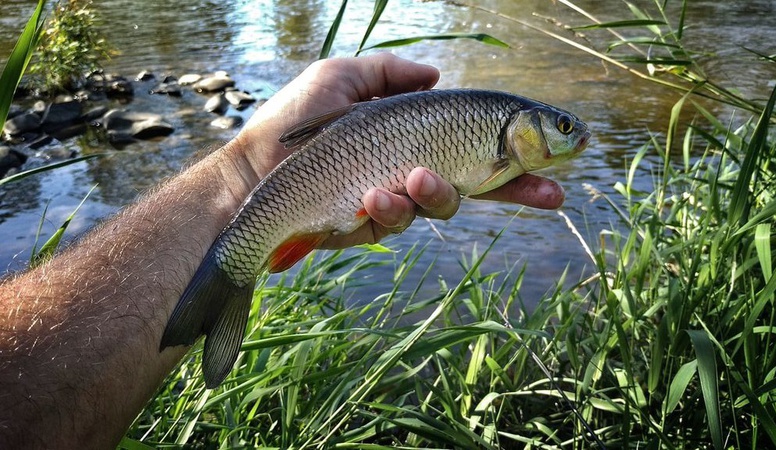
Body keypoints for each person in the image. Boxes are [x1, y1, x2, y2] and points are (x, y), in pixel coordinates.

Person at [0, 53, 565, 448]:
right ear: (524, 128)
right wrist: (247, 166)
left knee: (397, 196)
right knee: (272, 241)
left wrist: (244, 168)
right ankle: (224, 280)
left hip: (339, 171)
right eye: (562, 127)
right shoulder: (493, 141)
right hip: (338, 167)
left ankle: (218, 286)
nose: (571, 136)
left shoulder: (492, 134)